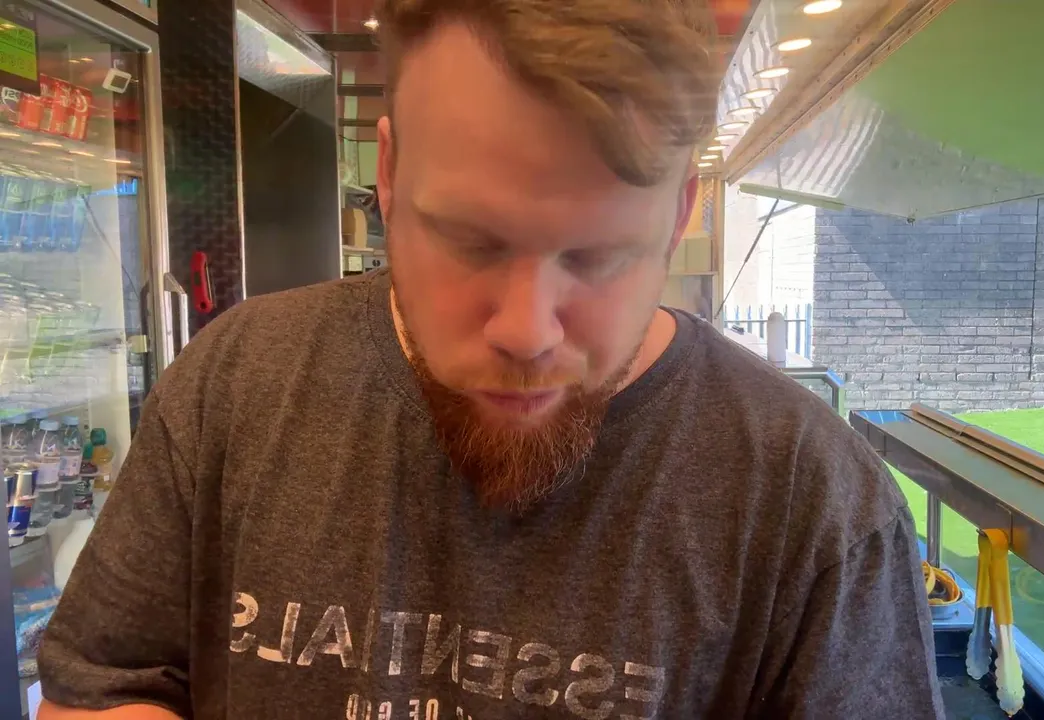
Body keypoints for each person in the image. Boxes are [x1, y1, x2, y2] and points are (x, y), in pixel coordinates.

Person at [37, 1, 944, 718]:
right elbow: (103, 685)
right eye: (469, 241)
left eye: (597, 256)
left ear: (679, 215)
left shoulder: (812, 504)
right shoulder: (237, 381)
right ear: (390, 175)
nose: (526, 330)